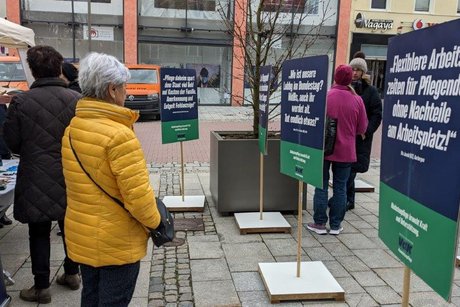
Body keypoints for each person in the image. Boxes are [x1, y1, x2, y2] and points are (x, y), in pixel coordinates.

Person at [61, 52, 161, 306]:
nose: (126, 92)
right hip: (116, 241)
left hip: (83, 234)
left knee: (91, 297)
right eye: (124, 87)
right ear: (112, 89)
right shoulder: (119, 135)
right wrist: (157, 223)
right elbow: (138, 199)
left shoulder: (72, 129)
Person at [3, 45, 81, 304]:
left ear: (33, 71)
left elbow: (12, 143)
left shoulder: (21, 101)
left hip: (36, 174)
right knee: (71, 227)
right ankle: (72, 273)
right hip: (70, 173)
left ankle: (41, 286)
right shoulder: (76, 100)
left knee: (38, 231)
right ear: (59, 68)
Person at [307, 65, 367, 235]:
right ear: (350, 79)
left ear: (335, 77)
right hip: (346, 151)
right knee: (341, 188)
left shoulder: (326, 96)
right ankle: (335, 225)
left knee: (321, 186)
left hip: (324, 149)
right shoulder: (357, 100)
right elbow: (362, 128)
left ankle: (319, 224)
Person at [346, 55, 383, 210]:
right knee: (344, 169)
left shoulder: (371, 91)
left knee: (351, 170)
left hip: (360, 137)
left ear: (363, 72)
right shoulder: (345, 87)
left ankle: (348, 199)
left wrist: (366, 131)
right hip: (346, 134)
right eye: (353, 69)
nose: (355, 72)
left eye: (358, 70)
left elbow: (377, 114)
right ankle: (345, 198)